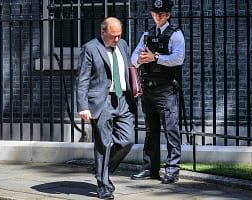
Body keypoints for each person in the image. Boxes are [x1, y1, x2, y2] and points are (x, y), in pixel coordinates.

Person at [76, 17, 136, 199]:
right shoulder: (90, 48)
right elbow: (82, 79)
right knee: (103, 144)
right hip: (101, 102)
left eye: (119, 36)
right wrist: (83, 106)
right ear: (103, 32)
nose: (117, 40)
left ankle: (102, 170)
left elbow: (128, 68)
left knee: (127, 140)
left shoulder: (123, 45)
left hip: (123, 100)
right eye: (113, 36)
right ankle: (103, 184)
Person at [130, 0, 185, 184]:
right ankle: (150, 168)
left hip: (166, 89)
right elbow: (133, 58)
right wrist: (142, 59)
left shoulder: (175, 35)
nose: (157, 16)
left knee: (171, 130)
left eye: (161, 14)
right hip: (148, 88)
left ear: (168, 14)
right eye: (155, 13)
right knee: (151, 130)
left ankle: (172, 170)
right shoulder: (147, 34)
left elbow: (178, 58)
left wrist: (156, 57)